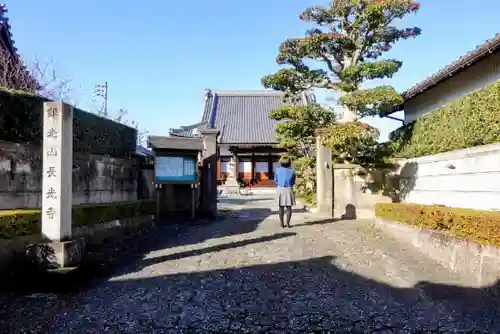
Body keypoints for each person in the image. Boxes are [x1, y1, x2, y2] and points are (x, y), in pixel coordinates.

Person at [273, 156, 296, 228]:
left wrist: (279, 183)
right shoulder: (292, 171)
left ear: (281, 162)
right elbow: (293, 181)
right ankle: (288, 223)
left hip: (280, 188)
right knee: (289, 207)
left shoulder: (277, 170)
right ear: (289, 162)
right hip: (289, 189)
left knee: (281, 207)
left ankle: (281, 223)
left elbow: (275, 181)